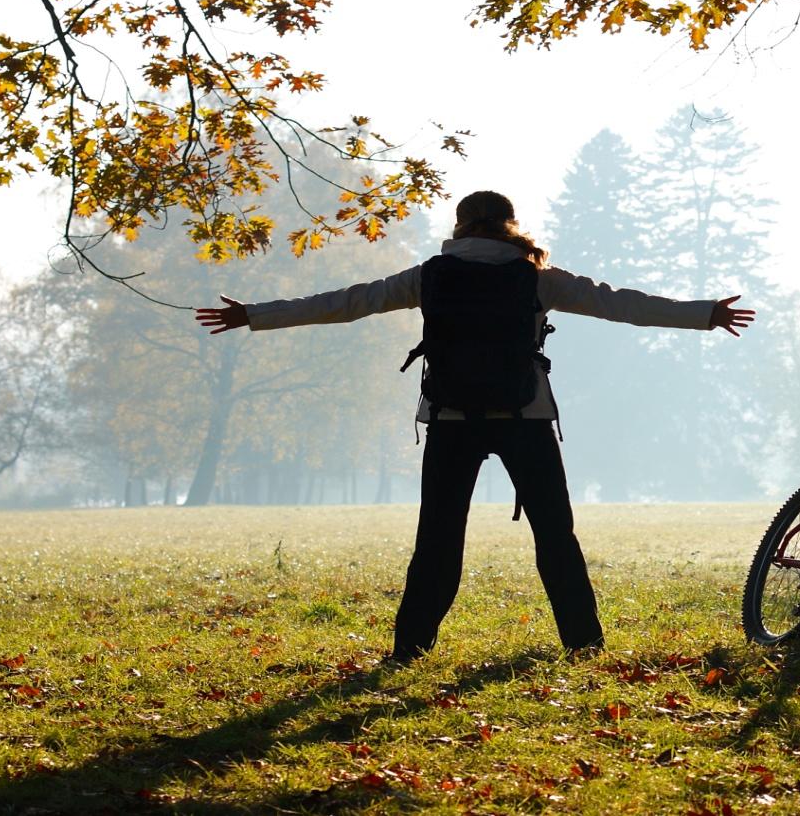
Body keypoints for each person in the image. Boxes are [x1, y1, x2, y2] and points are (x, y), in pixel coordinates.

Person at [196, 190, 754, 662]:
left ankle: (410, 649)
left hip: (450, 418)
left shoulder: (430, 275)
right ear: (510, 226)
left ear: (459, 226)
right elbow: (619, 304)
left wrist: (255, 315)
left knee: (437, 538)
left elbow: (347, 303)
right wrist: (703, 313)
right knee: (555, 535)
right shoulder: (537, 277)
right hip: (525, 417)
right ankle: (584, 646)